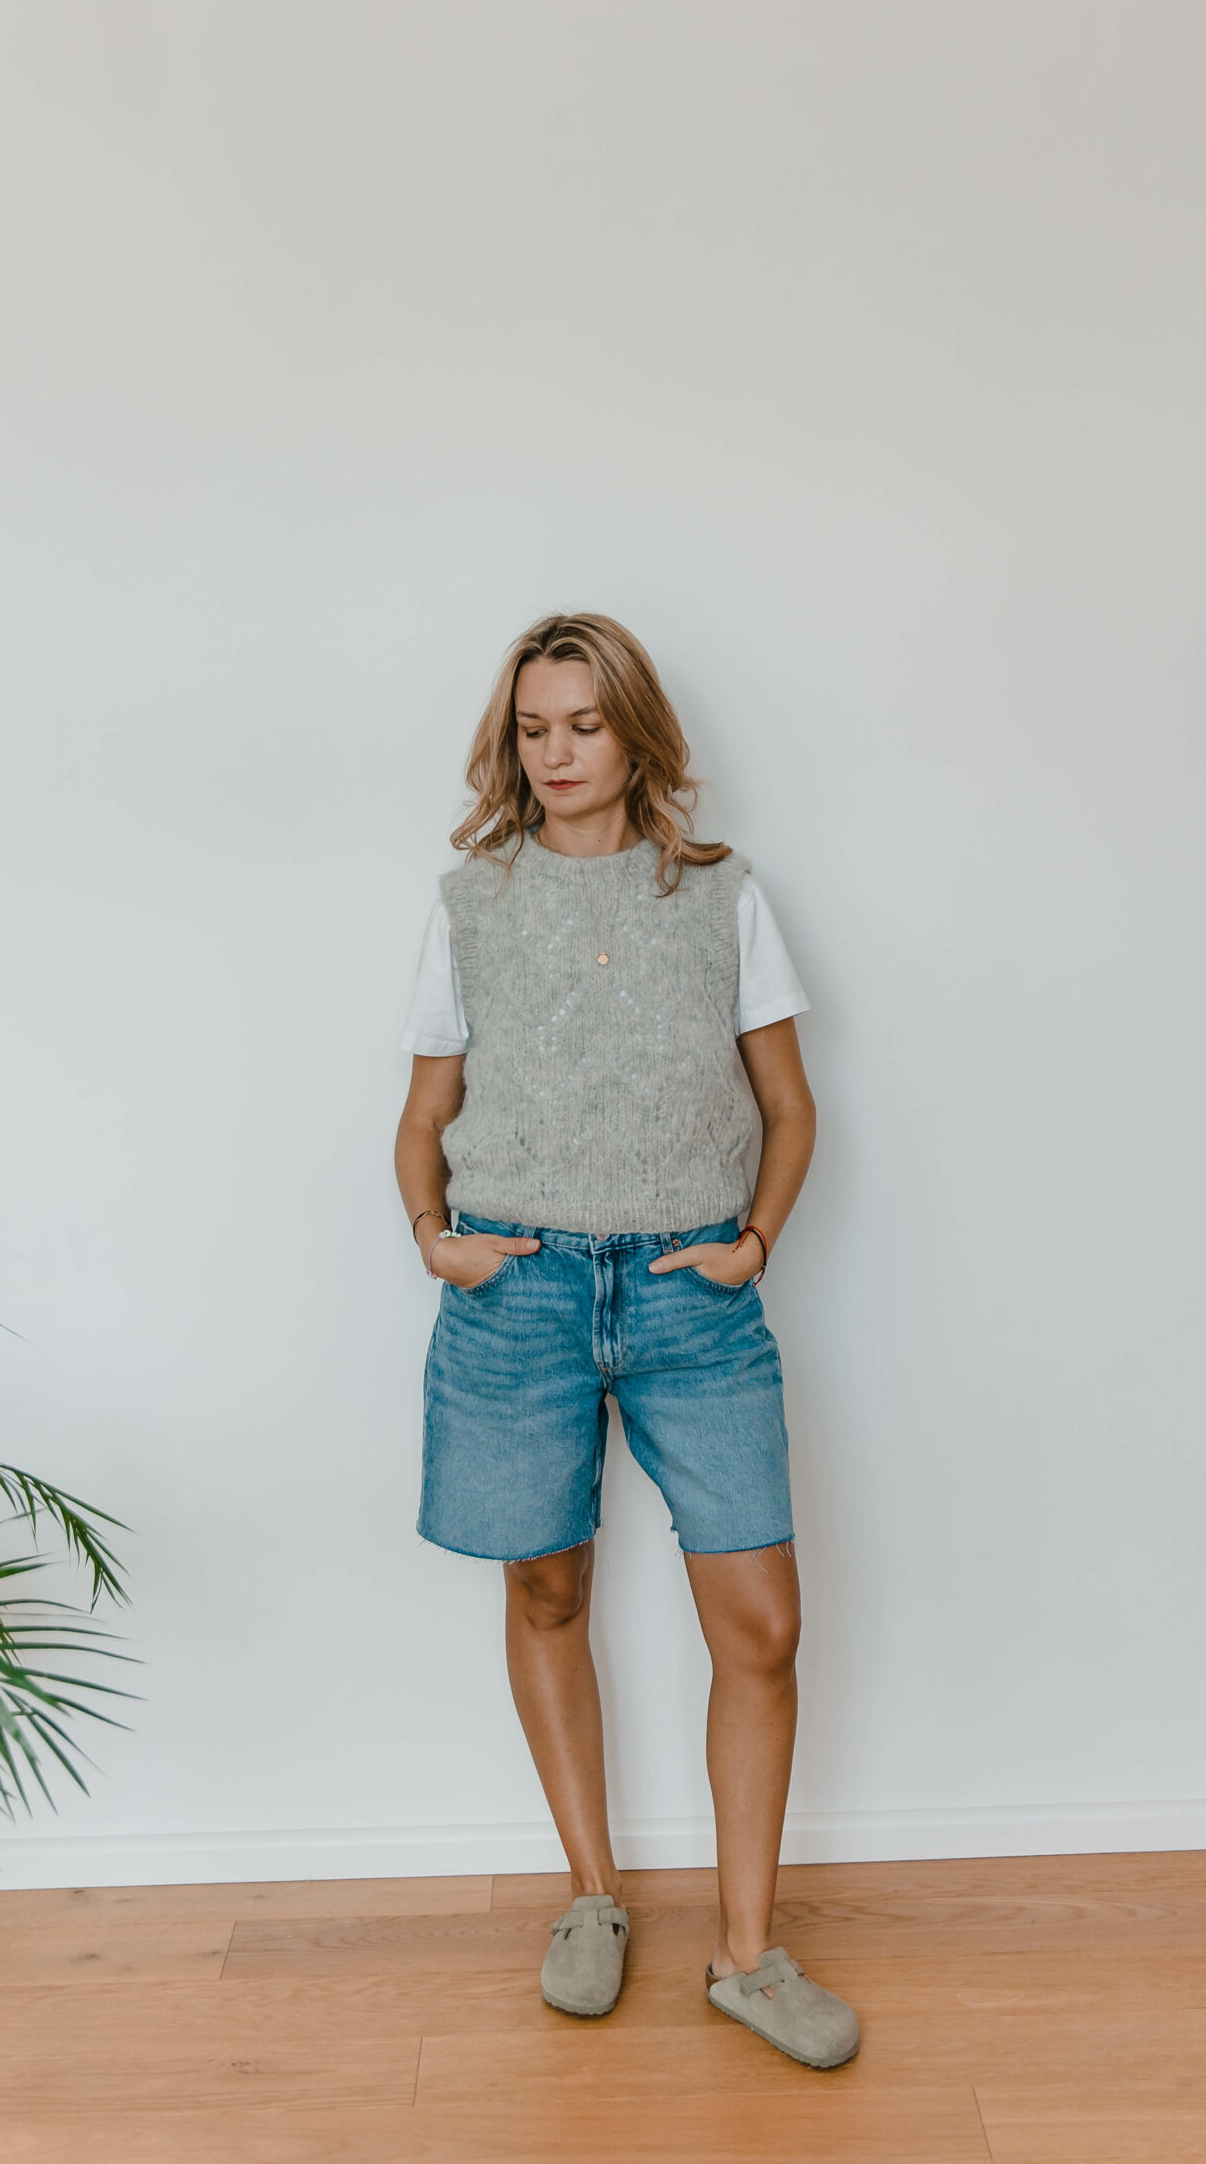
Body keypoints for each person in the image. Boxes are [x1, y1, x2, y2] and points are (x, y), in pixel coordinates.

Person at [394, 612, 858, 2070]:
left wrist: (754, 1242)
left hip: (688, 1297)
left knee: (762, 1623)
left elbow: (789, 1106)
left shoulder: (721, 898)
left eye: (584, 726)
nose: (557, 753)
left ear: (636, 732)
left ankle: (747, 1954)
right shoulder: (471, 904)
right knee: (548, 1587)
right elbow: (423, 1117)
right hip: (517, 1291)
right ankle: (592, 1896)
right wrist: (435, 1236)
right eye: (533, 729)